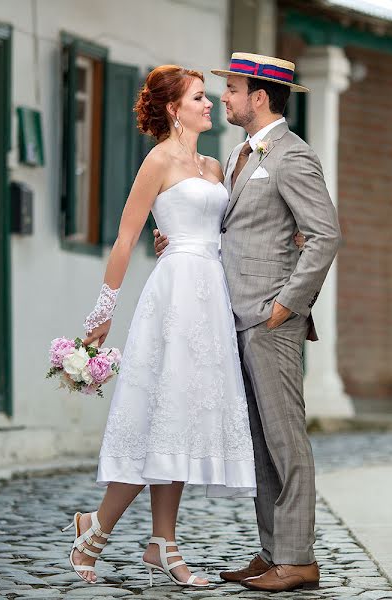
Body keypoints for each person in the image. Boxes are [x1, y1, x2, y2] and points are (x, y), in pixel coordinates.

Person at [154, 52, 342, 592]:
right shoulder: (239, 152)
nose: (225, 99)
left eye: (233, 89)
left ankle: (299, 558)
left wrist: (288, 306)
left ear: (259, 97)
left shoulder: (293, 156)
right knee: (258, 440)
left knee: (286, 440)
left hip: (269, 319)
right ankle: (273, 551)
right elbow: (237, 229)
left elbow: (324, 235)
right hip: (230, 315)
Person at [68, 64, 256, 588]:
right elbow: (126, 238)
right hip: (172, 298)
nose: (209, 104)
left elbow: (222, 232)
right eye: (199, 97)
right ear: (175, 109)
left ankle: (161, 542)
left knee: (180, 424)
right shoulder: (157, 162)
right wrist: (102, 314)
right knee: (157, 418)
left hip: (210, 298)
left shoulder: (216, 167)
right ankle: (95, 532)